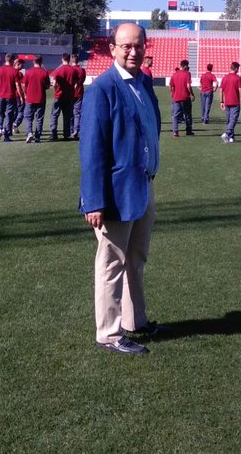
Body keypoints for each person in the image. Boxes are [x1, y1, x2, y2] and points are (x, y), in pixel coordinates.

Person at [79, 23, 167, 355]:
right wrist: (94, 201)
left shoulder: (144, 83)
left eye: (138, 45)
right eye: (126, 46)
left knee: (136, 259)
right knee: (112, 263)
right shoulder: (102, 89)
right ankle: (109, 334)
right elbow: (91, 149)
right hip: (115, 195)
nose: (133, 51)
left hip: (142, 186)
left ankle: (136, 321)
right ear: (113, 49)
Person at [22, 55, 51, 143]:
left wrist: (25, 93)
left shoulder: (28, 72)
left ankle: (29, 133)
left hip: (30, 98)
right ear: (41, 62)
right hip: (41, 98)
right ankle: (37, 136)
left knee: (28, 117)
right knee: (39, 118)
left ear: (33, 62)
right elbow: (48, 85)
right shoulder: (44, 72)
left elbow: (23, 84)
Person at [219, 61, 241, 144]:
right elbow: (240, 90)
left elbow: (221, 90)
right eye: (238, 68)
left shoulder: (225, 78)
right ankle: (227, 134)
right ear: (235, 69)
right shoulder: (237, 78)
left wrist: (221, 101)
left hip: (227, 102)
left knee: (229, 120)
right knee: (233, 120)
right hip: (235, 102)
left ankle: (231, 137)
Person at [50, 53, 75, 141]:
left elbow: (54, 83)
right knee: (67, 116)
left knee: (54, 114)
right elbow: (75, 83)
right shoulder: (73, 70)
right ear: (69, 59)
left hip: (59, 95)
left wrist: (56, 90)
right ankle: (66, 134)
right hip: (69, 96)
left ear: (62, 59)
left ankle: (54, 133)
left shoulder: (59, 70)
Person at [168, 59, 195, 137]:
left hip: (176, 98)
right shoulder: (187, 74)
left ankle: (175, 132)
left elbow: (171, 86)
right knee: (187, 114)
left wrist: (172, 94)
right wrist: (192, 94)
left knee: (175, 115)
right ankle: (188, 130)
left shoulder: (174, 75)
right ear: (185, 66)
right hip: (185, 97)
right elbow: (188, 86)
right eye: (187, 65)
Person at [70, 54, 86, 140]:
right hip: (79, 93)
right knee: (77, 113)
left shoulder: (70, 70)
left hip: (70, 94)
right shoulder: (82, 70)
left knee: (70, 113)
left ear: (71, 61)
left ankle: (72, 130)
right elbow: (82, 80)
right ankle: (76, 130)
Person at [11, 57, 26, 135]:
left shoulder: (10, 72)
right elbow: (22, 85)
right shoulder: (19, 74)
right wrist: (24, 95)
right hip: (18, 95)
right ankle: (15, 124)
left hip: (10, 95)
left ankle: (13, 127)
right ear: (18, 64)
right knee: (21, 112)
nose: (23, 66)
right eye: (21, 64)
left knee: (14, 112)